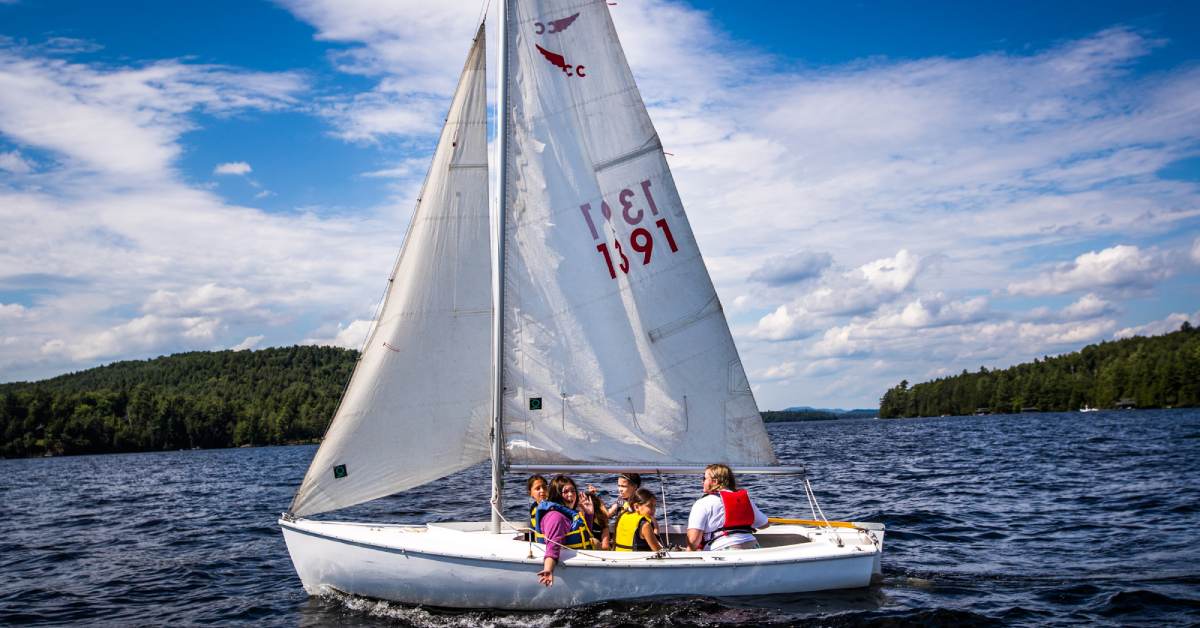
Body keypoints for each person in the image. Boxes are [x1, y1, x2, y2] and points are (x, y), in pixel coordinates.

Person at [686, 463, 769, 551]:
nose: (702, 482)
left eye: (705, 478)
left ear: (714, 481)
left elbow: (693, 541)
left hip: (723, 549)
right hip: (753, 546)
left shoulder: (702, 503)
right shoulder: (744, 499)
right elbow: (764, 524)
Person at [533, 475, 596, 586]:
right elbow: (553, 544)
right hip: (572, 570)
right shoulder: (556, 517)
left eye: (573, 490)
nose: (571, 494)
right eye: (565, 491)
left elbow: (583, 535)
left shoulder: (568, 513)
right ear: (557, 495)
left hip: (583, 561)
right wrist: (548, 569)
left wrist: (589, 515)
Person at [526, 474, 547, 542]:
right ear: (530, 493)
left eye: (544, 487)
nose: (542, 490)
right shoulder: (533, 509)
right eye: (538, 488)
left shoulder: (553, 506)